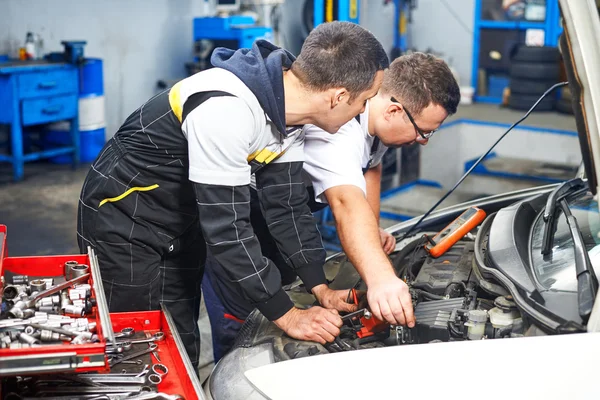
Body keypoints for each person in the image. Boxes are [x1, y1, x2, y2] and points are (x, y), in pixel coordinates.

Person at [76, 21, 388, 369]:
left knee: (179, 341)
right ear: (339, 96)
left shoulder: (290, 113)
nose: (363, 111)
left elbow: (286, 208)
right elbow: (228, 230)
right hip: (122, 219)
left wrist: (320, 286)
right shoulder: (227, 108)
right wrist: (287, 315)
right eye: (364, 101)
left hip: (181, 220)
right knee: (134, 344)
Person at [203, 52, 461, 362]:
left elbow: (371, 169)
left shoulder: (377, 126)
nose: (424, 141)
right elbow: (345, 202)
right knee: (247, 327)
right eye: (424, 131)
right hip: (239, 224)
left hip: (287, 223)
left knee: (295, 298)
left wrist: (372, 230)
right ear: (395, 110)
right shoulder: (339, 132)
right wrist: (380, 279)